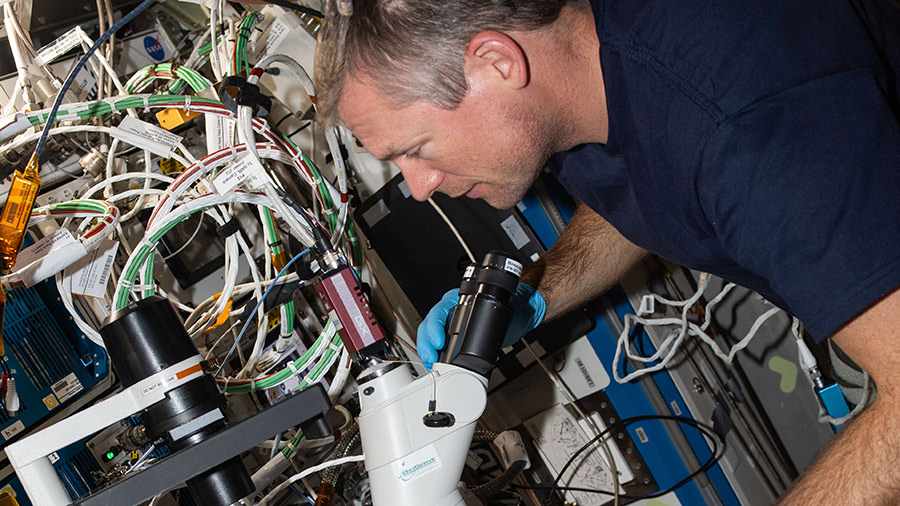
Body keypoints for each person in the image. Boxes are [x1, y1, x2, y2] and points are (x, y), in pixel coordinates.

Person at [312, 0, 900, 503]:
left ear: (495, 62)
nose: (417, 187)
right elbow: (652, 177)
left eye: (416, 149)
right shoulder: (585, 72)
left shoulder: (746, 135)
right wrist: (536, 294)